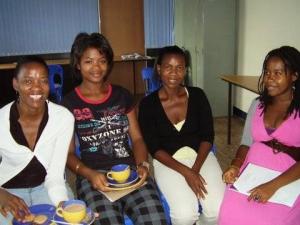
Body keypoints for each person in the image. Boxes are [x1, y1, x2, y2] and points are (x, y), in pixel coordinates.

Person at [62, 32, 167, 225]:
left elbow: (137, 139)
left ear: (108, 63)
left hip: (130, 172)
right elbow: (68, 154)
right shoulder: (69, 103)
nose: (96, 67)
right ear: (77, 64)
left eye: (102, 60)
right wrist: (89, 174)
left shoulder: (122, 95)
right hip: (94, 176)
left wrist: (143, 165)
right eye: (88, 61)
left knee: (157, 220)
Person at [138, 45, 225, 225]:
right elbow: (154, 148)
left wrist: (194, 170)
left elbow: (208, 136)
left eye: (179, 68)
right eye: (168, 67)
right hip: (168, 161)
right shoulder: (147, 105)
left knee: (217, 209)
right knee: (184, 215)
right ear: (159, 69)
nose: (174, 73)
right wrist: (186, 173)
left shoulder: (198, 95)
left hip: (200, 157)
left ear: (185, 70)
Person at [219, 46, 300, 225]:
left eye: (277, 73)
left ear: (294, 76)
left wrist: (272, 186)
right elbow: (246, 143)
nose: (269, 79)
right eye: (267, 72)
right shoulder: (257, 104)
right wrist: (235, 166)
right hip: (251, 173)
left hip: (288, 177)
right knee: (229, 214)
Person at [0, 56, 74, 223]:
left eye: (43, 81)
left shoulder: (63, 118)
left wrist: (63, 205)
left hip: (47, 187)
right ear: (15, 84)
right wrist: (1, 195)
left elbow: (55, 175)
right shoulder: (1, 120)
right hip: (7, 189)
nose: (37, 88)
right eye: (28, 81)